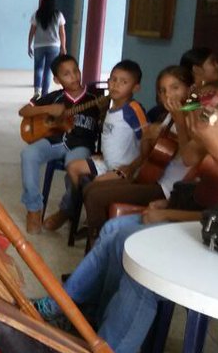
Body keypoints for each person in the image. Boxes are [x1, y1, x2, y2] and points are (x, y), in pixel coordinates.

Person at [33, 41, 218, 353]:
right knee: (115, 232)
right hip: (216, 226)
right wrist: (193, 125)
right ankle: (80, 317)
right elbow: (192, 158)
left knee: (137, 258)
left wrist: (211, 146)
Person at [79, 65, 194, 244]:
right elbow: (151, 155)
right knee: (90, 189)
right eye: (163, 90)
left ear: (190, 89)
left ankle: (100, 245)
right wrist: (147, 137)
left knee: (95, 196)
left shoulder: (192, 118)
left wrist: (179, 121)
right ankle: (99, 240)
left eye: (175, 88)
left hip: (168, 189)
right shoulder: (168, 117)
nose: (168, 95)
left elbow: (188, 159)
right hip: (152, 177)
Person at [44, 60, 146, 232]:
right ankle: (71, 210)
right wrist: (102, 113)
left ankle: (90, 223)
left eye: (123, 82)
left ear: (135, 88)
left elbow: (147, 139)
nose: (116, 85)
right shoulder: (111, 107)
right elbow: (111, 136)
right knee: (73, 168)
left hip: (125, 168)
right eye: (113, 79)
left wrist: (133, 167)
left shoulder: (133, 109)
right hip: (107, 162)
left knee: (94, 187)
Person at [18, 53, 103, 234]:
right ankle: (33, 209)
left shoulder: (95, 99)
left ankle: (66, 210)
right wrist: (49, 108)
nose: (74, 76)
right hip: (55, 141)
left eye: (75, 71)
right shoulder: (55, 97)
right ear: (57, 80)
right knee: (28, 154)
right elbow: (23, 111)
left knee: (74, 167)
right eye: (66, 74)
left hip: (81, 145)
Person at [27, 0, 66, 97]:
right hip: (54, 46)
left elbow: (32, 31)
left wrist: (29, 45)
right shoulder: (58, 15)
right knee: (48, 70)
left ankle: (37, 91)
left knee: (38, 68)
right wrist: (63, 47)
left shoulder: (37, 14)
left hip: (39, 46)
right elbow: (62, 33)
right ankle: (45, 94)